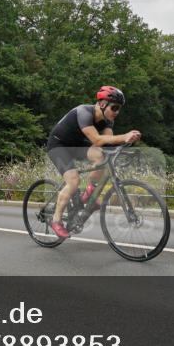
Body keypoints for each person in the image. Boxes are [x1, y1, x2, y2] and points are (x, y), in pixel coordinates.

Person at [45, 86, 141, 238]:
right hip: (59, 145)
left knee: (101, 156)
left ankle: (89, 193)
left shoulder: (108, 121)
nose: (116, 112)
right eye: (114, 108)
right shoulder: (84, 112)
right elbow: (97, 139)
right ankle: (56, 220)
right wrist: (124, 136)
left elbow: (107, 144)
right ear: (102, 104)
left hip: (77, 145)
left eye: (119, 109)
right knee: (73, 180)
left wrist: (129, 145)